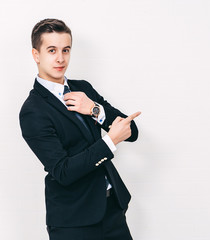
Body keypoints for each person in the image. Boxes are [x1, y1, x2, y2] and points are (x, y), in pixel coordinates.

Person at [19, 18, 141, 240]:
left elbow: (131, 131)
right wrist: (110, 141)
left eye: (66, 50)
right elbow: (63, 172)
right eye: (52, 50)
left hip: (112, 210)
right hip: (74, 221)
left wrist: (94, 109)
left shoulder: (83, 89)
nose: (60, 58)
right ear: (36, 55)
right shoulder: (33, 110)